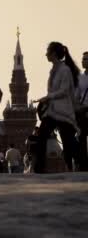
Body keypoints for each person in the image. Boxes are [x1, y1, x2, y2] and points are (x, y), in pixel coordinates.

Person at [34, 42, 80, 173]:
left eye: (48, 51)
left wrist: (48, 97)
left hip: (63, 111)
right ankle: (39, 167)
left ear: (53, 53)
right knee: (42, 135)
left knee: (68, 140)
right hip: (53, 110)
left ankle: (76, 164)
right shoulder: (54, 70)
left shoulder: (64, 70)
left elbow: (65, 90)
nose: (46, 54)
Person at [75, 51, 88, 171]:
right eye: (83, 59)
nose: (83, 61)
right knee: (82, 137)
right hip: (83, 111)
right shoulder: (80, 78)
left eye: (86, 59)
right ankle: (84, 164)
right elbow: (77, 95)